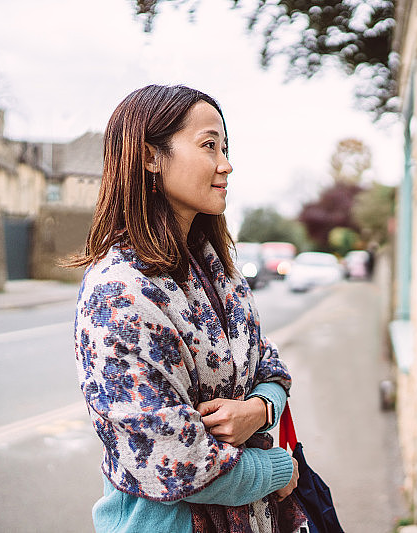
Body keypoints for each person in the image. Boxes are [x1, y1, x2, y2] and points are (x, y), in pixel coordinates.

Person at [69, 84, 307, 533]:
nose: (226, 164)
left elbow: (270, 366)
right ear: (150, 157)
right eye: (209, 146)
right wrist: (276, 471)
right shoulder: (118, 294)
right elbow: (176, 461)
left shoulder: (215, 269)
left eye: (226, 148)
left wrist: (259, 410)